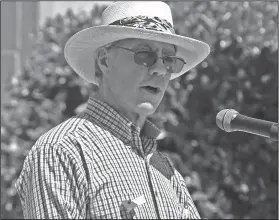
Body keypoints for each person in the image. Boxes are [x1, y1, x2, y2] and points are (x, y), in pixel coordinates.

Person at [15, 1, 210, 219]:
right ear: (104, 60)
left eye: (169, 60)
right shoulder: (62, 150)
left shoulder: (164, 168)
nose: (159, 69)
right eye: (145, 55)